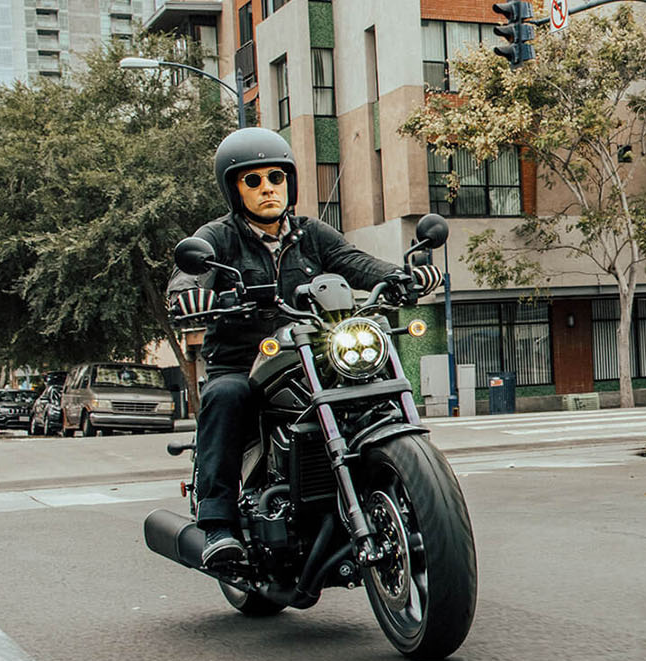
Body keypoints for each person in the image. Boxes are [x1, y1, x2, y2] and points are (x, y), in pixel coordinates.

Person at [166, 128, 440, 570]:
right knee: (224, 395)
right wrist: (190, 296)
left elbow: (355, 262)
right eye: (252, 181)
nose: (267, 188)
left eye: (275, 177)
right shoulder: (217, 238)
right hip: (243, 362)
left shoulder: (311, 233)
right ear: (234, 190)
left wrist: (403, 276)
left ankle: (404, 486)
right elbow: (187, 279)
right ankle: (218, 524)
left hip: (311, 354)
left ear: (289, 182)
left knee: (367, 383)